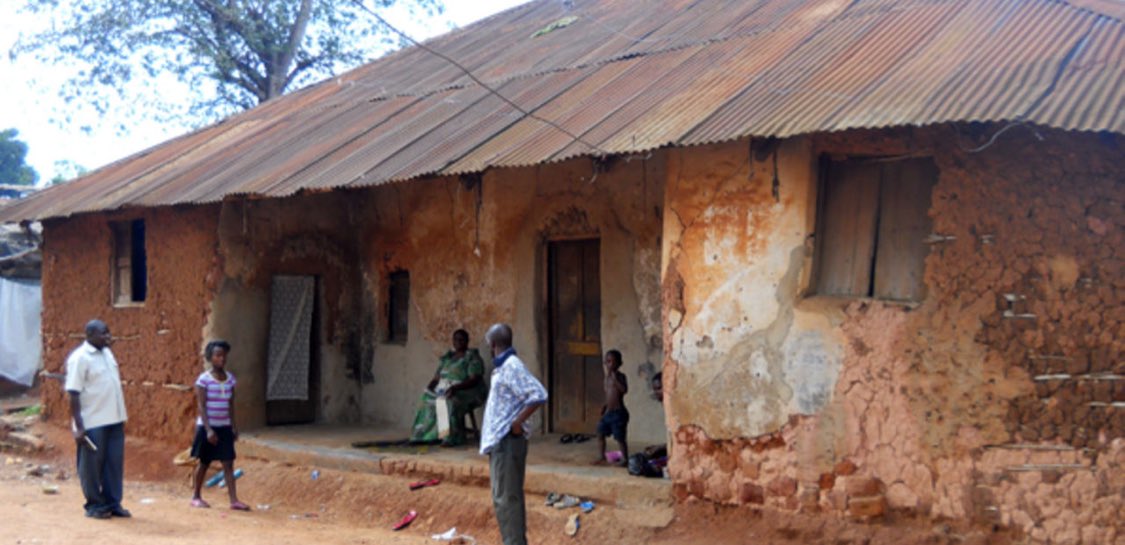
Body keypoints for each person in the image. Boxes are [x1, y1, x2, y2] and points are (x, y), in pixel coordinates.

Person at [480, 323, 547, 545]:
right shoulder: (503, 366)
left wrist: (517, 423)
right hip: (501, 442)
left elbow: (538, 394)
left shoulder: (511, 366)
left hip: (507, 442)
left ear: (492, 344)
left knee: (507, 499)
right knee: (505, 498)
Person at [65, 319, 129, 519]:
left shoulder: (107, 353)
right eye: (104, 333)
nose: (108, 337)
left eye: (108, 332)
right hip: (92, 421)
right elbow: (73, 393)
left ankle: (112, 502)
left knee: (113, 463)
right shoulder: (80, 358)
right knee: (91, 465)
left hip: (115, 419)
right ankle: (94, 505)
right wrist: (78, 426)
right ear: (90, 335)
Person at [190, 340, 249, 510]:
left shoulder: (230, 379)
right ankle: (196, 496)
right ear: (210, 357)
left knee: (228, 462)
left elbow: (231, 404)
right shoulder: (203, 380)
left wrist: (233, 426)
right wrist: (208, 430)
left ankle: (234, 500)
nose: (221, 359)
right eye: (217, 355)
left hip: (224, 427)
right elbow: (201, 405)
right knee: (204, 462)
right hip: (208, 427)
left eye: (224, 355)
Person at [409, 329, 487, 447]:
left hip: (467, 390)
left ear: (467, 341)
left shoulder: (471, 357)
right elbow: (436, 379)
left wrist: (455, 388)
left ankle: (451, 437)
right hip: (445, 388)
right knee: (426, 400)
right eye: (456, 339)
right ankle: (425, 436)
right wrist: (429, 389)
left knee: (447, 401)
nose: (458, 342)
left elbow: (474, 380)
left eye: (462, 340)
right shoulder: (447, 358)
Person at [593, 349, 629, 466]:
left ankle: (624, 458)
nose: (609, 364)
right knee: (600, 431)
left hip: (619, 413)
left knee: (620, 437)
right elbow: (608, 395)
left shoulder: (621, 377)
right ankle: (601, 455)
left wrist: (615, 379)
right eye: (607, 361)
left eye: (612, 362)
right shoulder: (606, 378)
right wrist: (604, 406)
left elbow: (623, 390)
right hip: (608, 412)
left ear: (619, 364)